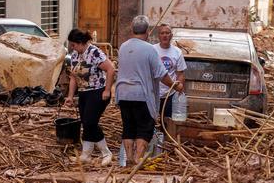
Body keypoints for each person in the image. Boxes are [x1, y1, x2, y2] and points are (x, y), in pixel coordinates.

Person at [114, 15, 175, 166]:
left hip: (123, 94)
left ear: (131, 30)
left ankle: (128, 158)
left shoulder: (123, 47)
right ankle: (137, 159)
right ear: (147, 31)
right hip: (141, 95)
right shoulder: (149, 49)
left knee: (128, 126)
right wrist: (174, 85)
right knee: (144, 127)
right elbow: (161, 74)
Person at [63, 29, 116, 165]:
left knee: (90, 122)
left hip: (98, 91)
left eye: (74, 45)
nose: (72, 48)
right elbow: (74, 77)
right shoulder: (75, 55)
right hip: (84, 93)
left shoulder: (94, 52)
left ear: (81, 43)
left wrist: (107, 90)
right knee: (86, 122)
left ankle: (106, 153)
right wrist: (70, 96)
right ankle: (86, 154)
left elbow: (110, 69)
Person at [153, 23, 186, 125]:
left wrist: (179, 86)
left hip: (169, 94)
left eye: (167, 33)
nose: (165, 35)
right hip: (153, 93)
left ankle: (165, 139)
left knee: (166, 122)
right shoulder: (152, 50)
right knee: (150, 121)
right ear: (158, 35)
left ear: (171, 36)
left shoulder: (177, 52)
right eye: (162, 33)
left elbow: (180, 73)